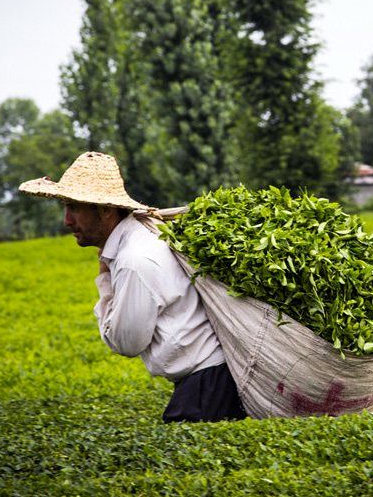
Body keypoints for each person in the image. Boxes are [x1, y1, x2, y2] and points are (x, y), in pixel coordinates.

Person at [19, 151, 247, 423]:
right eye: (65, 208)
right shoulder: (142, 239)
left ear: (104, 210)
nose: (67, 220)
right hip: (210, 379)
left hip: (207, 384)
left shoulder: (133, 260)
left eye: (75, 208)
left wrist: (104, 281)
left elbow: (126, 342)